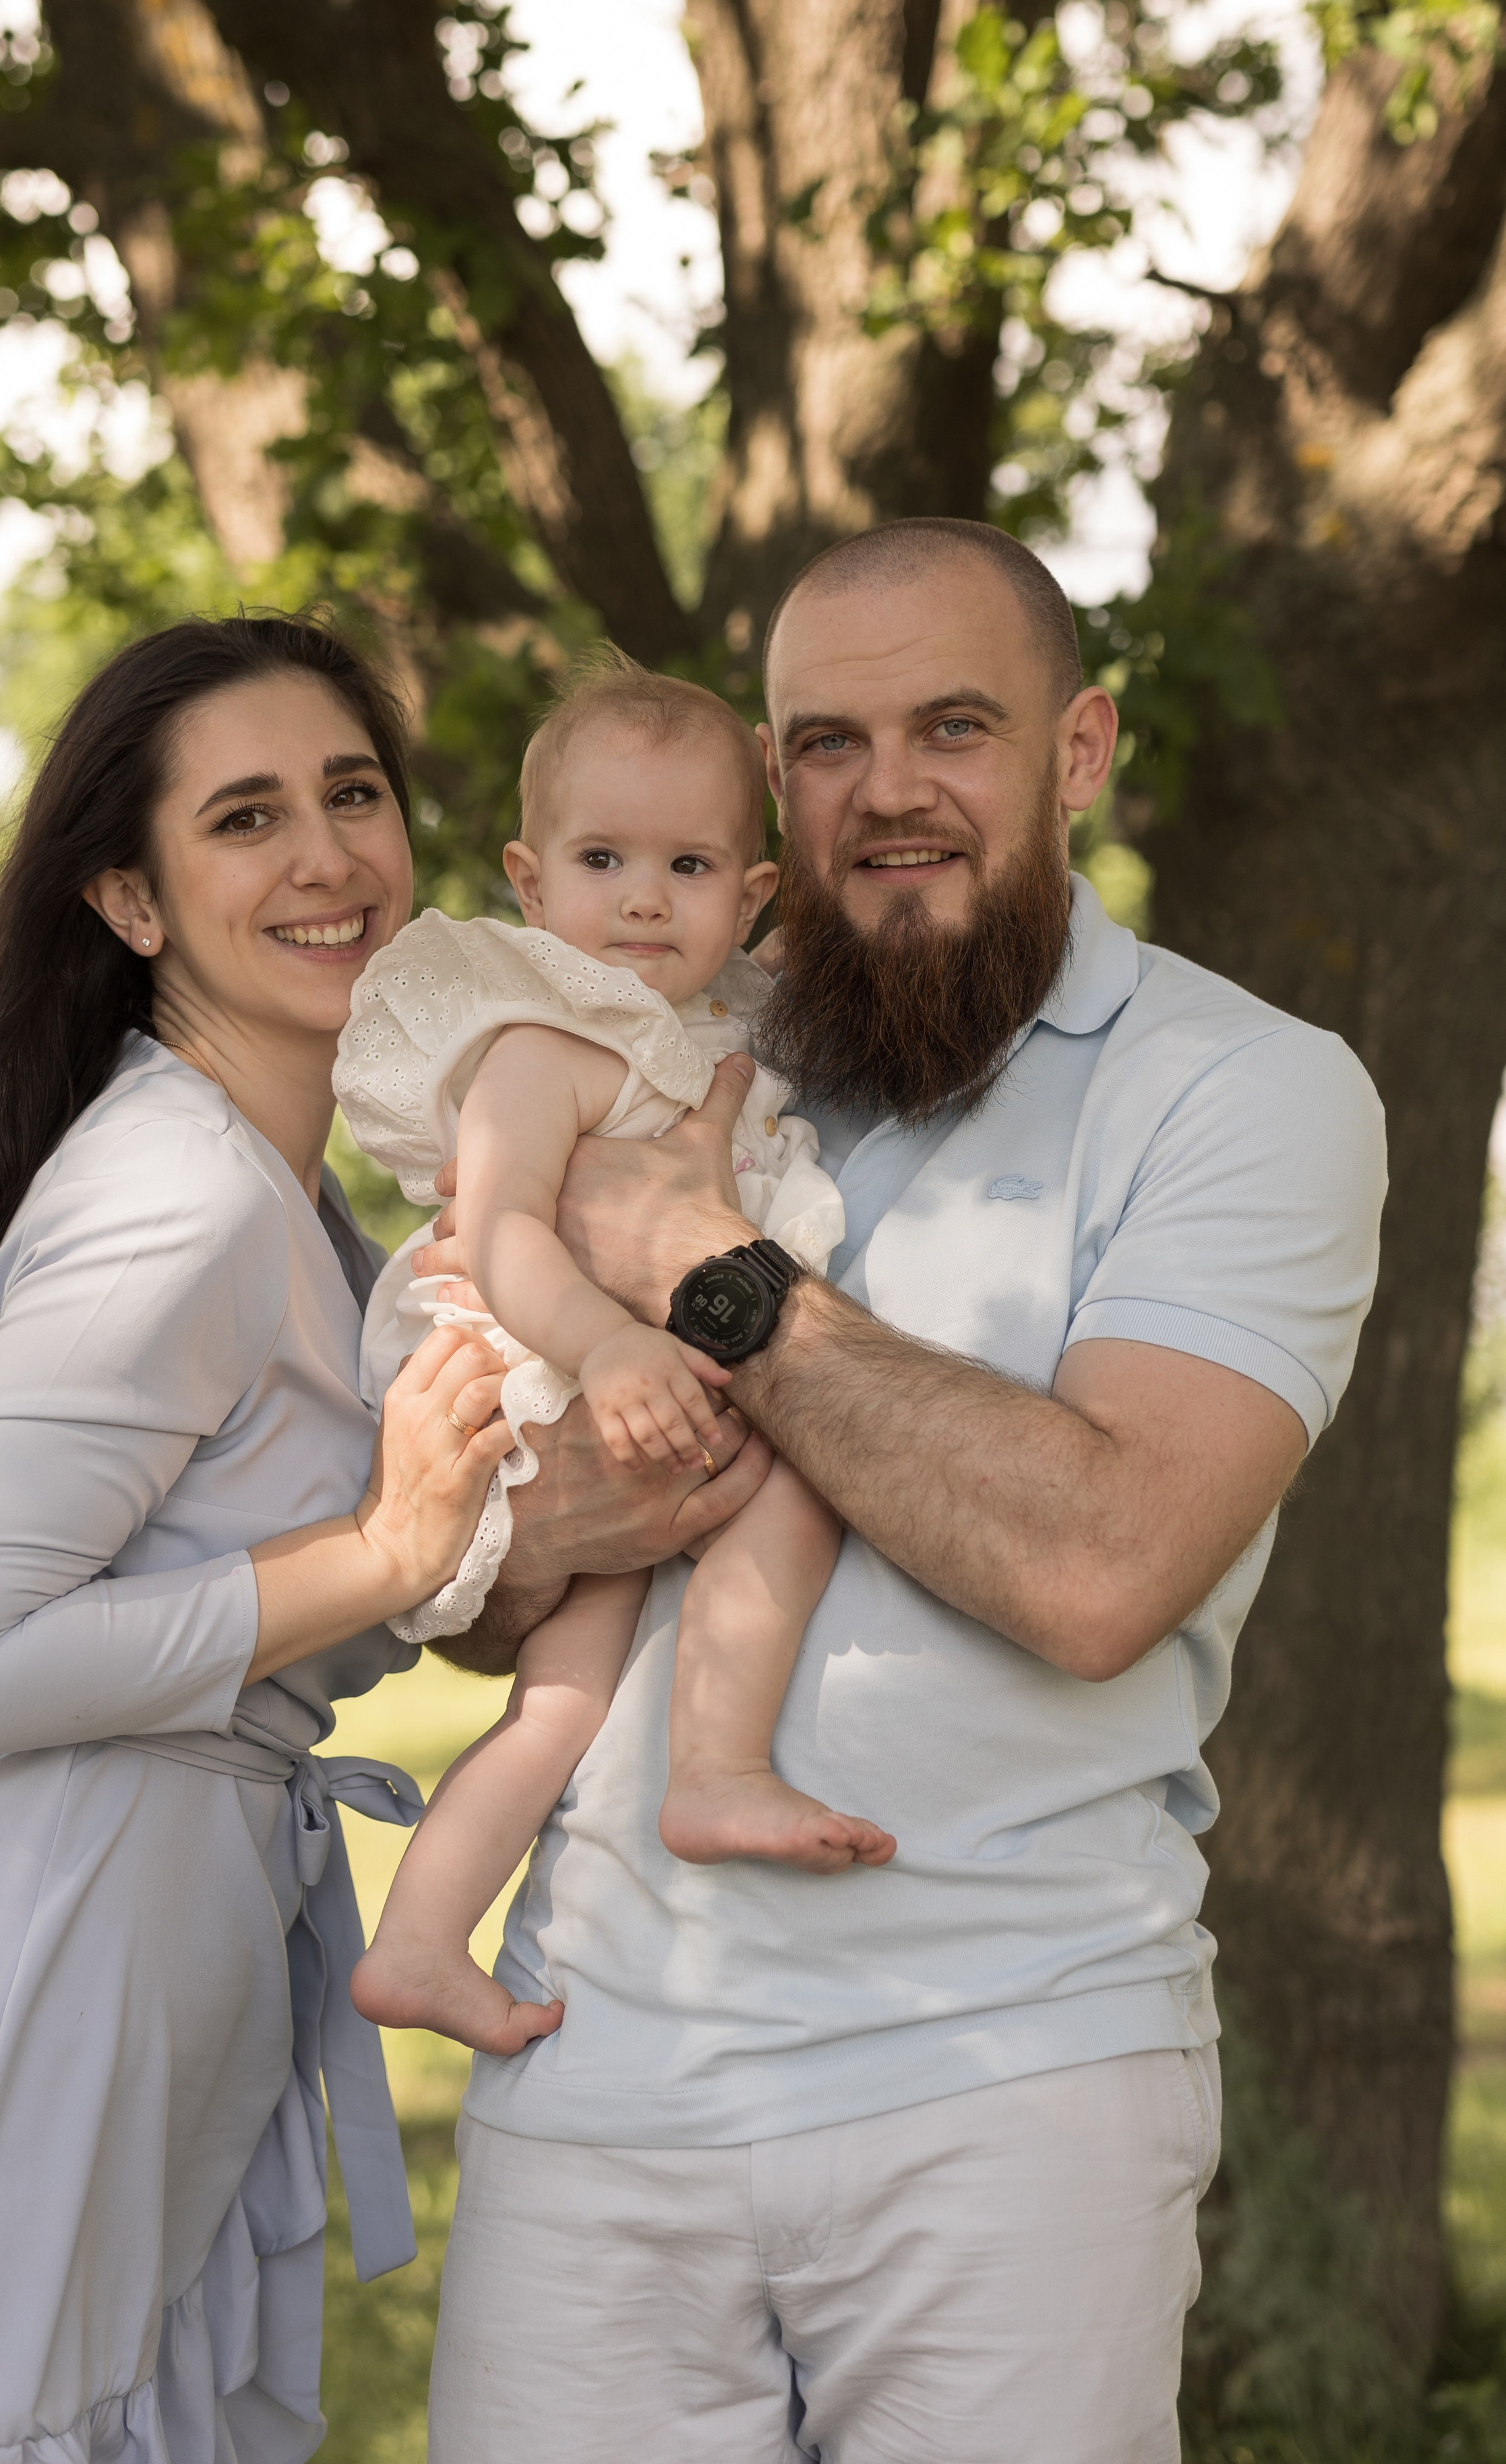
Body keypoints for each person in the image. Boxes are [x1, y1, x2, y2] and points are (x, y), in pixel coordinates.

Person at [416, 519, 1390, 2463]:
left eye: (956, 726)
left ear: (1083, 749)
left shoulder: (1241, 1090)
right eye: (829, 743)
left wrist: (722, 1277)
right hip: (592, 2069)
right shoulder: (673, 1044)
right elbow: (485, 1579)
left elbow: (1103, 1562)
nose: (890, 793)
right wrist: (523, 1527)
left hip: (1008, 2086)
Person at [0, 611, 537, 2464]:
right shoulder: (177, 1194)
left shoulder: (295, 1200)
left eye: (354, 795)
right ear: (131, 901)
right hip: (25, 1975)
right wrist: (380, 1550)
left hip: (155, 1937)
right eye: (246, 820)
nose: (326, 858)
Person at [334, 652, 889, 2061]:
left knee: (564, 1698)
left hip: (640, 1371)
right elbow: (502, 1230)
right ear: (529, 884)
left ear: (754, 895)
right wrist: (607, 1344)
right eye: (602, 858)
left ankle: (418, 1939)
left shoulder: (728, 1038)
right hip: (554, 1365)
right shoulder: (540, 1040)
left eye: (689, 863)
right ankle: (714, 1764)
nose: (643, 896)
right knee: (799, 1480)